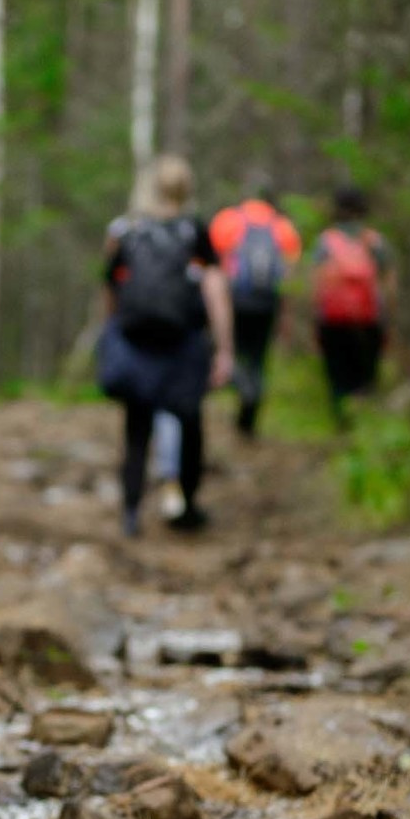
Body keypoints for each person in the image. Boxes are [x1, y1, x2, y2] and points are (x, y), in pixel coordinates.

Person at [97, 155, 233, 538]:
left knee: (136, 430)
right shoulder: (194, 230)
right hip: (183, 342)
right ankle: (186, 505)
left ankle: (130, 512)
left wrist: (111, 332)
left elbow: (110, 286)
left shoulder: (126, 230)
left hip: (136, 339)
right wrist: (223, 347)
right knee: (190, 423)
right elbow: (215, 289)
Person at [208, 181, 302, 439]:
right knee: (258, 359)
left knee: (235, 352)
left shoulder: (227, 220)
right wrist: (286, 316)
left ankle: (241, 387)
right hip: (267, 303)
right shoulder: (283, 227)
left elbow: (214, 269)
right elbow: (289, 278)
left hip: (235, 301)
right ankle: (248, 418)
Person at [307, 184, 393, 424]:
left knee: (338, 376)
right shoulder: (375, 241)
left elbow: (316, 285)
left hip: (332, 320)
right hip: (368, 320)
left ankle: (342, 422)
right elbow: (389, 285)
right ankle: (361, 428)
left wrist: (315, 319)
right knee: (364, 377)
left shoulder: (326, 242)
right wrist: (387, 318)